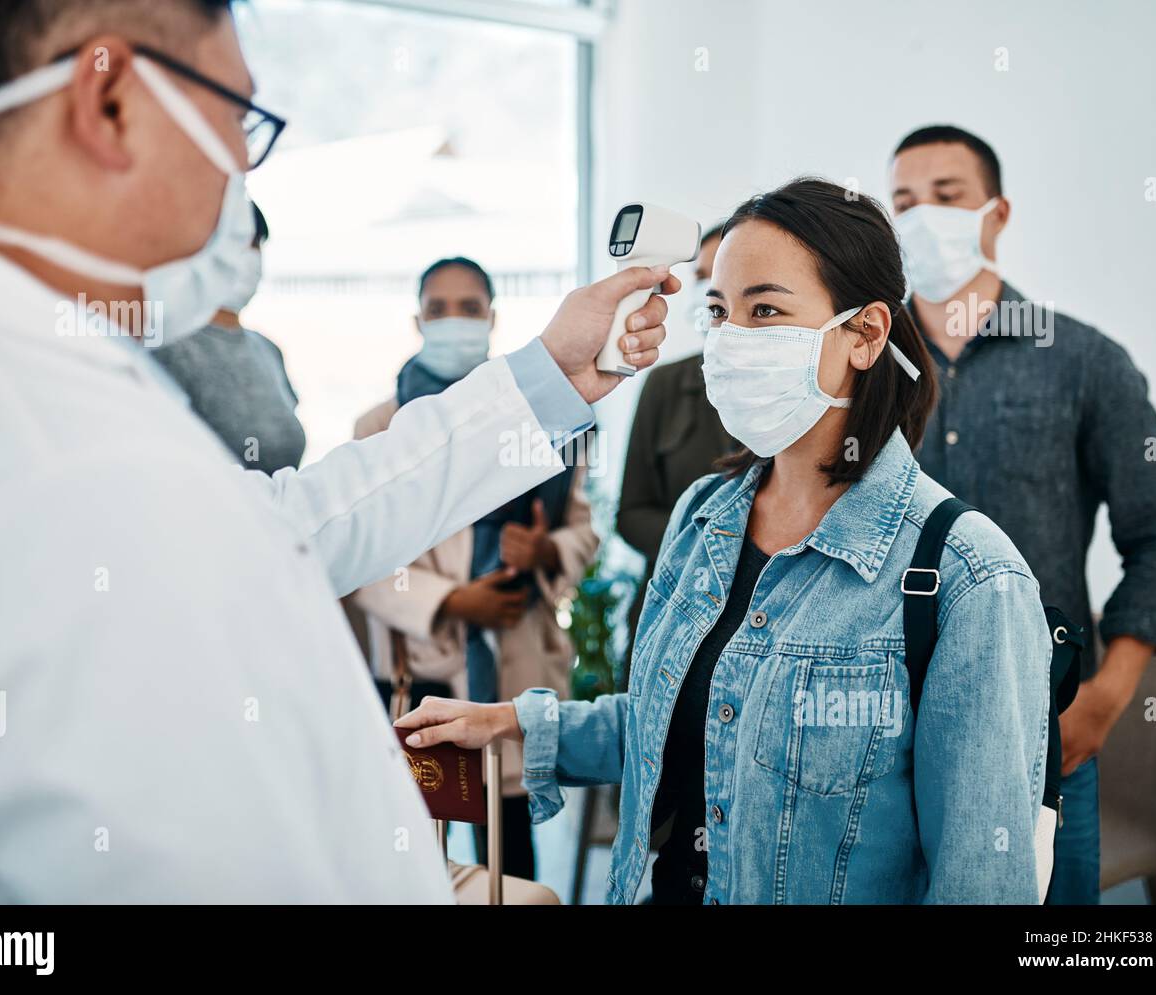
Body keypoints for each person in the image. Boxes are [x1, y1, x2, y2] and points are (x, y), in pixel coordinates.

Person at [0, 0, 674, 902]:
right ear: (109, 103)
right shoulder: (59, 458)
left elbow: (294, 523)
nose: (241, 163)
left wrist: (547, 375)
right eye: (240, 119)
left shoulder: (9, 366)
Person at [398, 178, 1055, 905]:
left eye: (765, 310)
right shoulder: (703, 515)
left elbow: (981, 879)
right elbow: (677, 721)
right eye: (716, 311)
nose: (732, 339)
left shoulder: (968, 577)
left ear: (866, 334)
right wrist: (511, 721)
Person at [889, 124, 1156, 904]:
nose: (923, 217)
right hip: (878, 734)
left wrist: (1103, 699)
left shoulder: (1082, 359)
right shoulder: (864, 362)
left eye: (947, 196)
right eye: (903, 202)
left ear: (997, 213)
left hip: (1043, 734)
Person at [352, 257, 599, 881]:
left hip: (515, 652)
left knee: (509, 839)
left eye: (469, 308)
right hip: (425, 657)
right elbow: (360, 553)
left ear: (492, 317)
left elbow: (582, 531)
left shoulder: (548, 421)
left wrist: (545, 554)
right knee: (415, 833)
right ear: (417, 320)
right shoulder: (379, 426)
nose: (455, 322)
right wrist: (452, 602)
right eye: (439, 310)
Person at [617, 224, 734, 676]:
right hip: (669, 618)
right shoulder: (666, 384)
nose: (710, 290)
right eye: (703, 276)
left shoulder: (788, 390)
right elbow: (631, 514)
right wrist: (717, 544)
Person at [151, 201, 307, 474]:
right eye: (238, 241)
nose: (250, 255)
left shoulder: (267, 349)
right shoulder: (170, 350)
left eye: (256, 244)